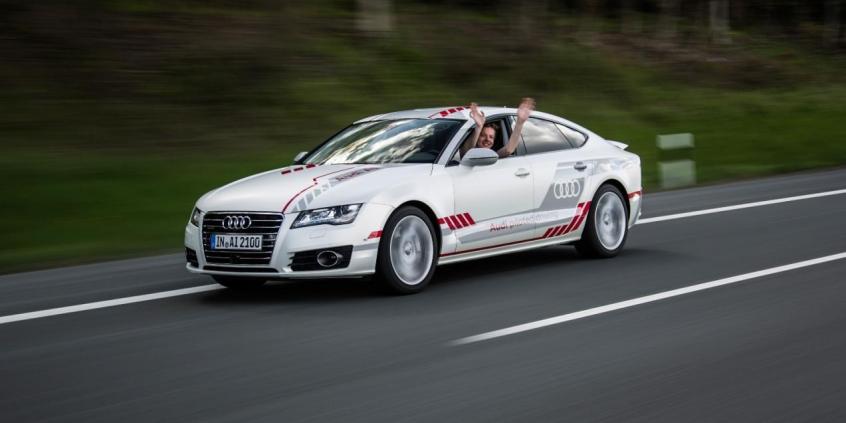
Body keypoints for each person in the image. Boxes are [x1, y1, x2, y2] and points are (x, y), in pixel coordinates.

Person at [459, 98, 535, 159]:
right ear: (477, 137)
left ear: (494, 140)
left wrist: (519, 123)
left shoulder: (493, 156)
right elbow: (466, 152)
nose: (487, 139)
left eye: (491, 137)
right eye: (483, 135)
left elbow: (509, 149)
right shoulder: (465, 152)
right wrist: (478, 127)